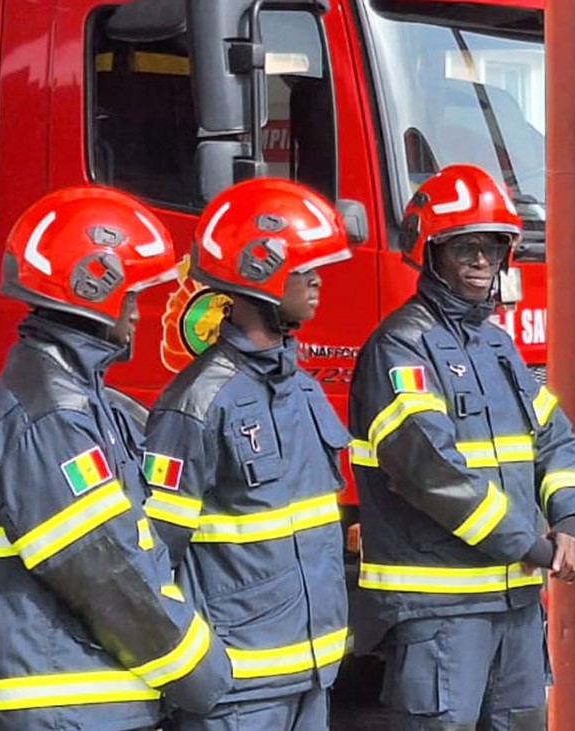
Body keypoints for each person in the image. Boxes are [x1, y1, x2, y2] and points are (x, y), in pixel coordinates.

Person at [0, 186, 232, 731]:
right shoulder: (52, 413)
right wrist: (200, 671)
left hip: (72, 701)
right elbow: (105, 569)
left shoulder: (71, 393)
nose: (138, 312)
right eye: (130, 296)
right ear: (90, 289)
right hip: (60, 707)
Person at [347, 164, 575, 729]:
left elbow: (554, 437)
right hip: (441, 610)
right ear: (431, 253)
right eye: (465, 247)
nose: (483, 262)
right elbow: (430, 470)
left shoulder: (496, 345)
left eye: (492, 247)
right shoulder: (400, 348)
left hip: (513, 605)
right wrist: (532, 545)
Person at [142, 178, 353, 731]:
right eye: (305, 270)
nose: (317, 283)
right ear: (258, 273)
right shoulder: (197, 402)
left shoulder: (303, 389)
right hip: (236, 692)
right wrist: (195, 671)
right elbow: (152, 555)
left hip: (311, 677)